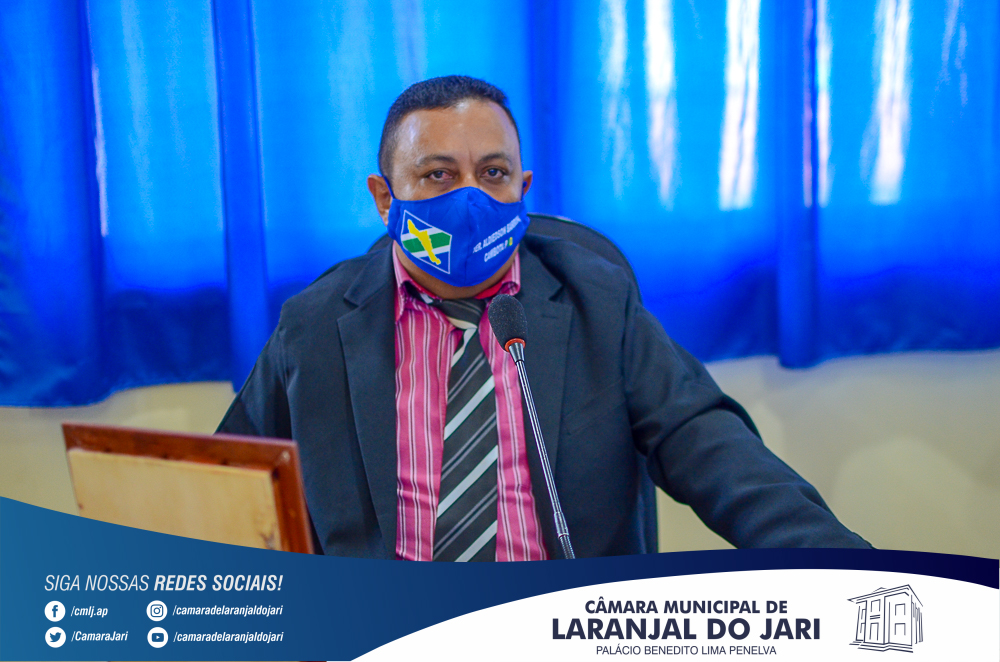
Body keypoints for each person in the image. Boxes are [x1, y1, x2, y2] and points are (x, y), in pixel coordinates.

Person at [217, 75, 870, 560]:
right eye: (438, 176)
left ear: (522, 189)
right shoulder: (313, 328)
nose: (471, 199)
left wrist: (845, 577)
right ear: (385, 198)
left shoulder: (597, 302)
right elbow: (224, 492)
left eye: (493, 173)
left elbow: (715, 451)